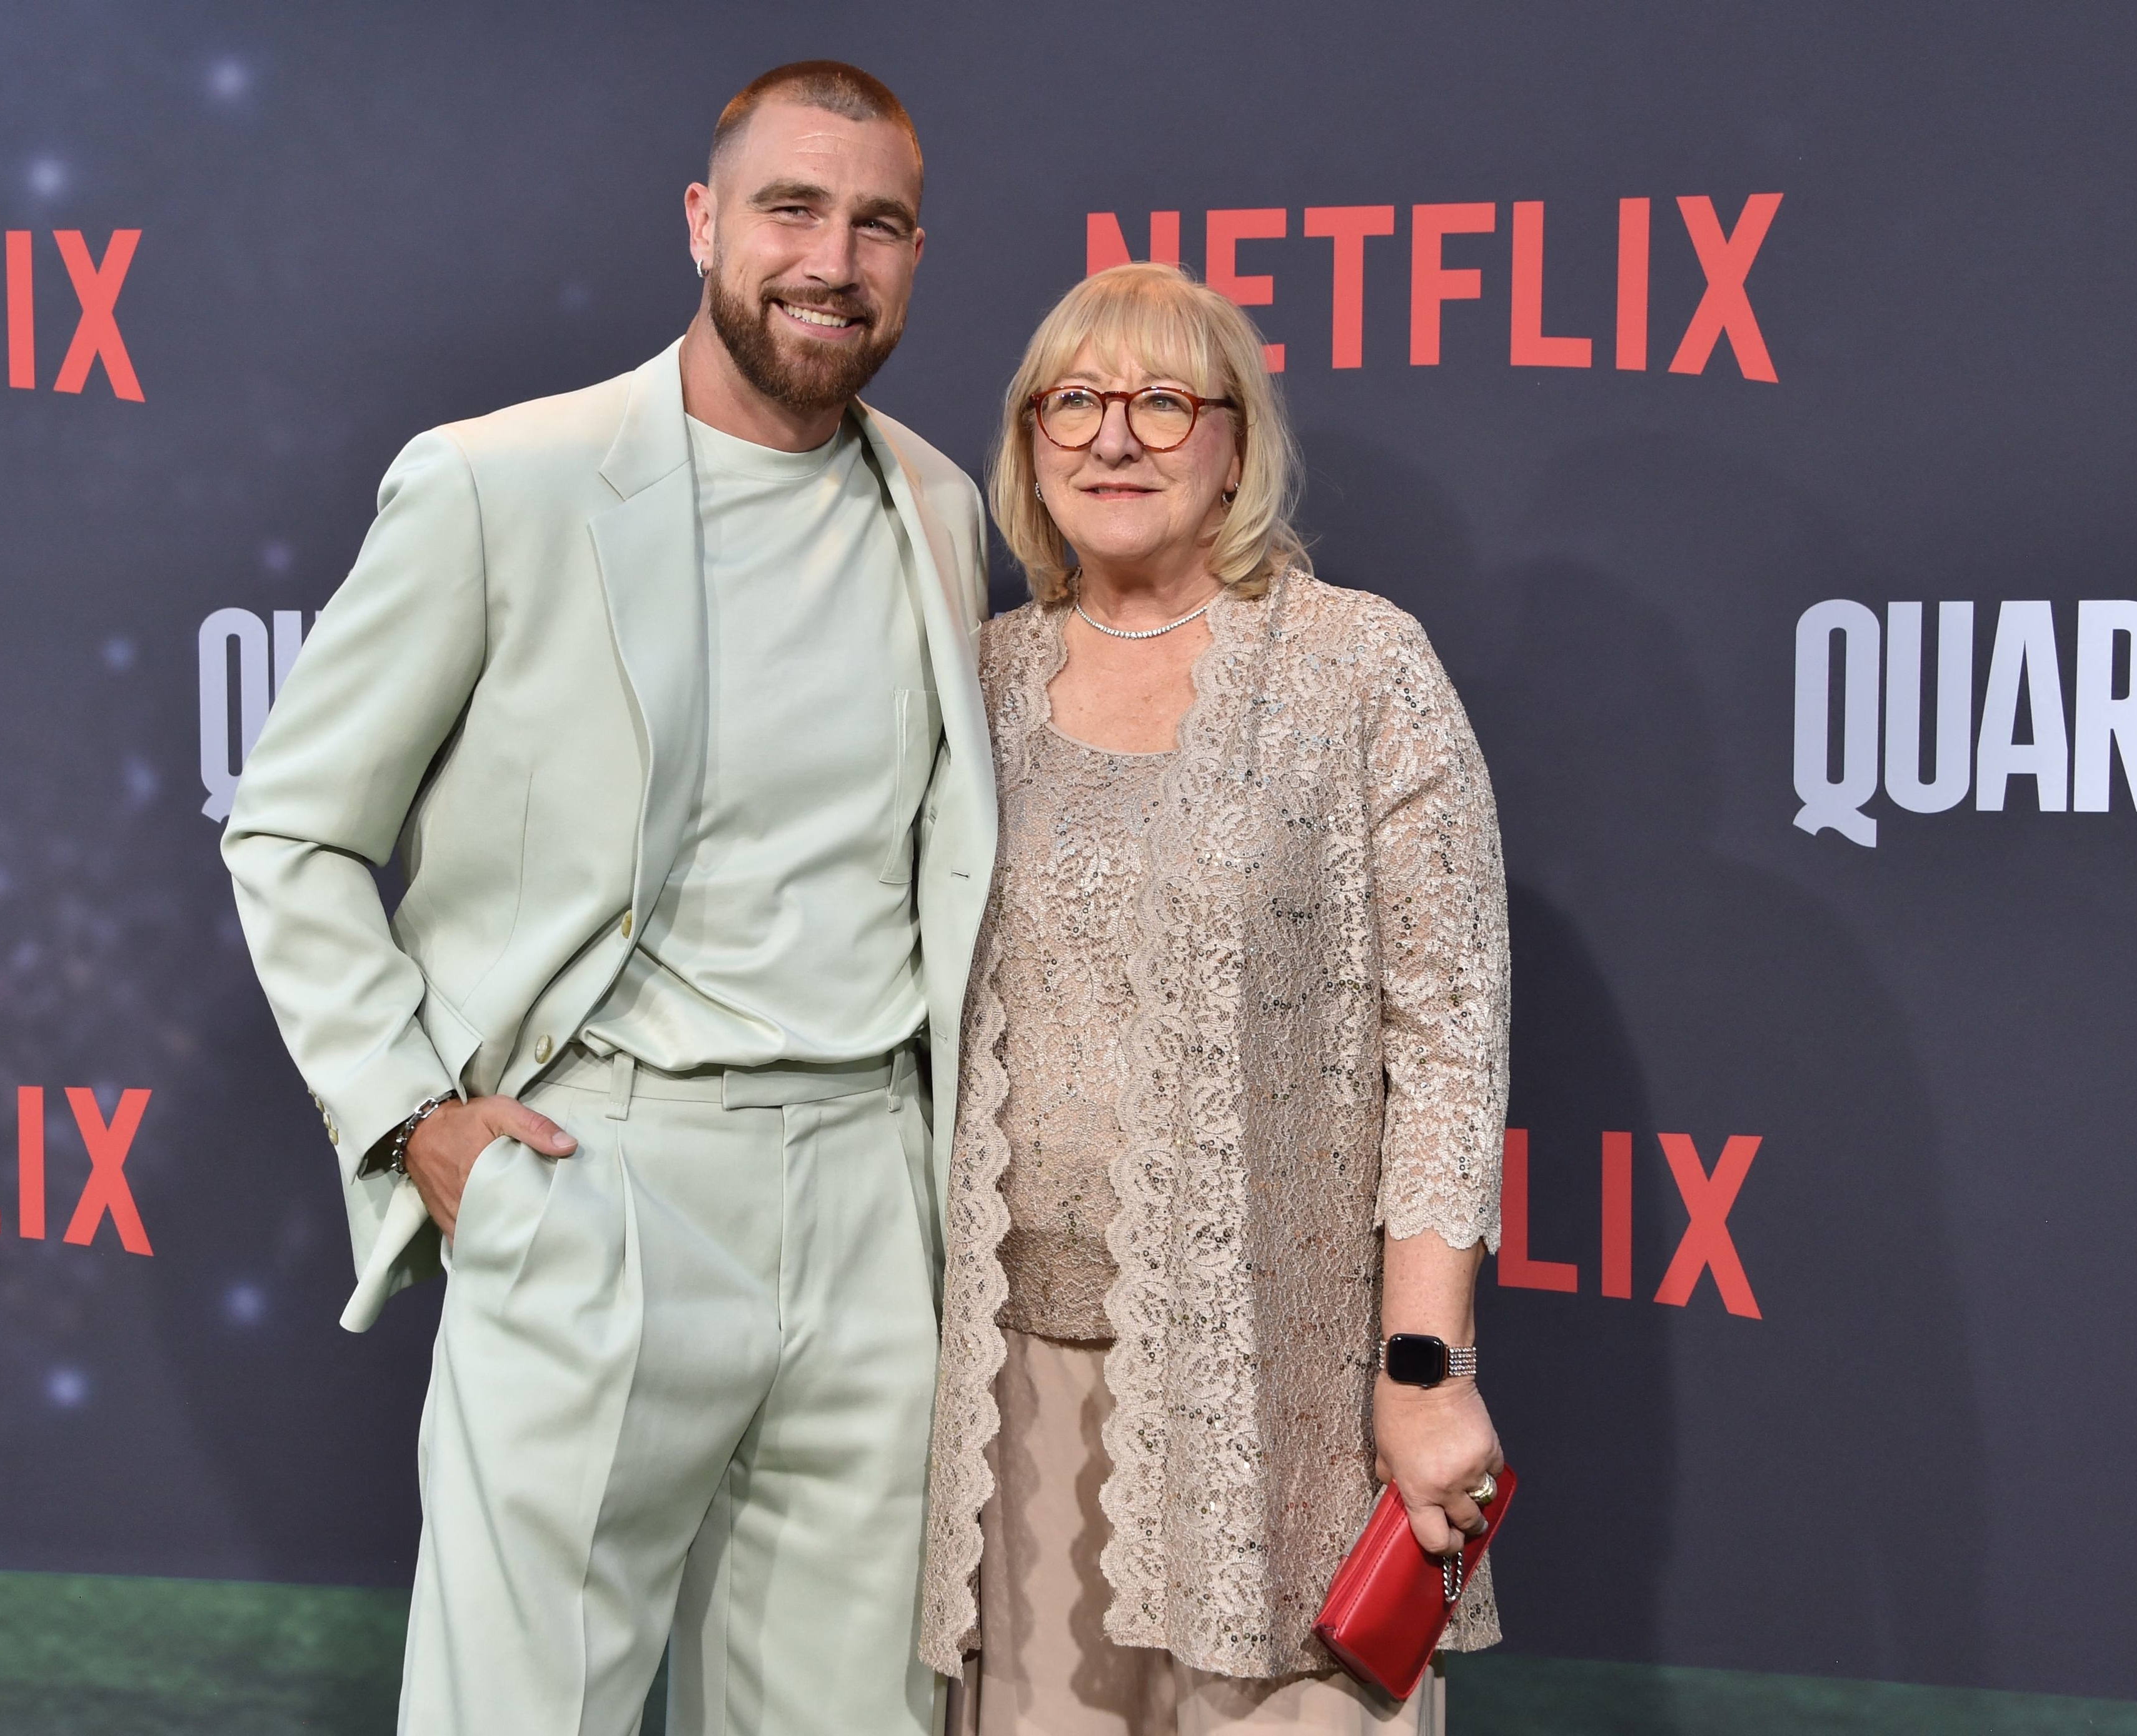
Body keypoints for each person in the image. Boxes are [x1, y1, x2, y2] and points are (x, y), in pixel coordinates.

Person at [221, 61, 993, 1736]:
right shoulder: (504, 482)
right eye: (792, 206)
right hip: (601, 1180)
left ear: (918, 257)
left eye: (879, 224)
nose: (832, 259)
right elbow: (288, 828)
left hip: (874, 1204)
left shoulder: (942, 504)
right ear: (706, 220)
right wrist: (416, 1116)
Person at [919, 263, 1510, 1734]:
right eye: (1074, 403)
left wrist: (1426, 1370)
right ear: (1026, 442)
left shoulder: (1358, 668)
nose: (1112, 439)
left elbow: (1445, 1047)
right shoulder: (968, 682)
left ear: (1234, 444)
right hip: (1014, 1411)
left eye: (1161, 402)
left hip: (1284, 1405)